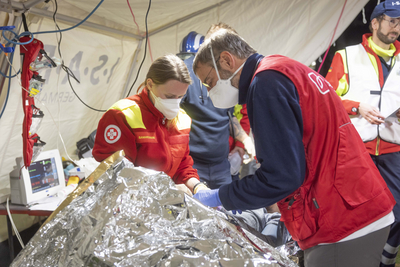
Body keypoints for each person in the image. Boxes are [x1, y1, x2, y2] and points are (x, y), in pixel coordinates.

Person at [192, 27, 395, 267]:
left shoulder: (266, 84)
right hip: (355, 200)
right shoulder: (284, 68)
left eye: (209, 82)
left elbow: (281, 177)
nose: (208, 91)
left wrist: (220, 196)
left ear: (227, 60)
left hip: (342, 219)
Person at [325, 2, 400, 266]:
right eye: (392, 20)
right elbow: (329, 100)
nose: (396, 27)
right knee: (358, 214)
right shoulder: (346, 56)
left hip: (394, 148)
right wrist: (357, 107)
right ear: (375, 22)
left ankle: (385, 261)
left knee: (398, 212)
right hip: (358, 149)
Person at [92, 55, 201, 195]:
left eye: (180, 97)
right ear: (150, 84)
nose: (175, 103)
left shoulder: (182, 119)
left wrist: (196, 185)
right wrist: (165, 190)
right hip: (130, 204)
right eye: (169, 96)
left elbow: (182, 165)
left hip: (165, 202)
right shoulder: (122, 115)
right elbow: (118, 174)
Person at [178, 31, 253, 189]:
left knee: (225, 210)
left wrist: (244, 142)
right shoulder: (183, 80)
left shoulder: (227, 84)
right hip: (193, 165)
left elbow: (231, 118)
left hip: (221, 165)